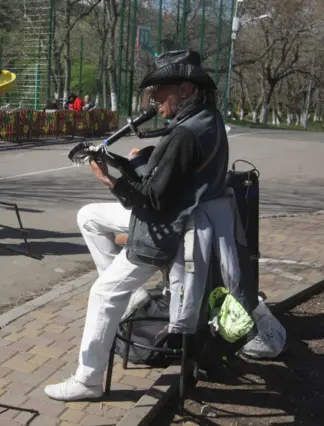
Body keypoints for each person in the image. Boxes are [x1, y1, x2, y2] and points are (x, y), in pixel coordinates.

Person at [44, 50, 229, 401]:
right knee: (89, 216)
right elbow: (170, 178)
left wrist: (109, 180)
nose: (154, 100)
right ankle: (138, 294)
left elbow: (153, 200)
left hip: (168, 230)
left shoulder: (185, 135)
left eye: (160, 91)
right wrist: (126, 162)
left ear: (185, 89)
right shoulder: (208, 118)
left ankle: (88, 380)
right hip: (182, 216)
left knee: (102, 294)